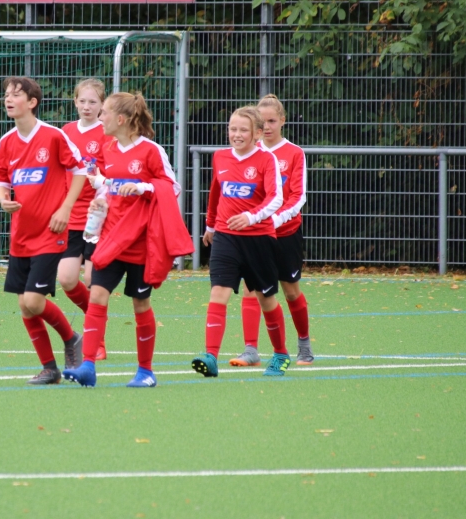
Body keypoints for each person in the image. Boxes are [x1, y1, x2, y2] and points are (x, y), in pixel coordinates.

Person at [62, 92, 183, 388]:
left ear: (121, 119)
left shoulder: (151, 151)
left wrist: (141, 187)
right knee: (97, 295)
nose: (99, 117)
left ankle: (145, 371)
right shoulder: (108, 149)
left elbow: (172, 188)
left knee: (140, 303)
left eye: (104, 112)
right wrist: (101, 199)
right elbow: (107, 185)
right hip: (112, 236)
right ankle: (88, 366)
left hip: (141, 241)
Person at [0, 76, 87, 385]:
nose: (8, 99)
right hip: (21, 235)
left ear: (32, 102)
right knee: (24, 305)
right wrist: (3, 199)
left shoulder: (53, 136)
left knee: (34, 301)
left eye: (15, 95)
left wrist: (65, 209)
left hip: (50, 233)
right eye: (7, 95)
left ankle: (71, 338)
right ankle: (49, 368)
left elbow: (80, 170)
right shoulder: (6, 141)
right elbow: (2, 179)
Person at [192, 107, 284, 379]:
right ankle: (211, 357)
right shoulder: (220, 157)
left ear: (258, 134)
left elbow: (276, 198)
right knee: (218, 293)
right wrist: (210, 226)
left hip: (259, 239)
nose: (237, 134)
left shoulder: (267, 159)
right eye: (232, 129)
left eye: (244, 129)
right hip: (225, 237)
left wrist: (251, 217)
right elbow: (215, 193)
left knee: (266, 299)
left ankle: (280, 354)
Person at [229, 94, 314, 368]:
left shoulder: (294, 153)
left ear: (282, 121)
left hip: (286, 232)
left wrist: (273, 220)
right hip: (255, 235)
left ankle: (304, 345)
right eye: (262, 121)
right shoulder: (248, 154)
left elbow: (298, 197)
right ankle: (250, 350)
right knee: (250, 288)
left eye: (272, 121)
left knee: (290, 291)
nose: (266, 127)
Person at [59, 78, 108, 360]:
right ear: (75, 102)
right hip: (71, 216)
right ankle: (96, 317)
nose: (87, 106)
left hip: (97, 217)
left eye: (93, 102)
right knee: (66, 279)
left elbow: (113, 172)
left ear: (102, 105)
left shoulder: (107, 133)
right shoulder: (65, 132)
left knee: (92, 278)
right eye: (82, 101)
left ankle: (96, 338)